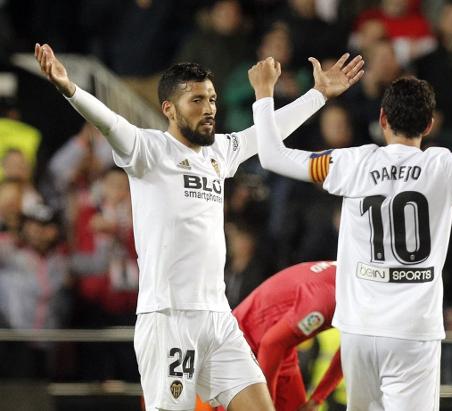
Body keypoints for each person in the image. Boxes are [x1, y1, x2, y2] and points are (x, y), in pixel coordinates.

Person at [34, 42, 363, 411]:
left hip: (218, 319)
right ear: (169, 109)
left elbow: (268, 131)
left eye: (212, 99)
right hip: (170, 318)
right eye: (197, 101)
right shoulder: (149, 150)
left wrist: (318, 95)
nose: (209, 109)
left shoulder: (219, 152)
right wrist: (69, 89)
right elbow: (110, 122)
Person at [248, 58, 452, 410]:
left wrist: (265, 93)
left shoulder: (351, 163)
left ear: (383, 120)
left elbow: (272, 155)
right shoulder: (447, 168)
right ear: (429, 125)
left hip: (358, 330)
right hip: (412, 333)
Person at [233, 261, 342, 411]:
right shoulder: (325, 303)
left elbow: (352, 349)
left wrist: (317, 399)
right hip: (240, 347)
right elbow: (270, 344)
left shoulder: (356, 281)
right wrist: (265, 404)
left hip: (279, 347)